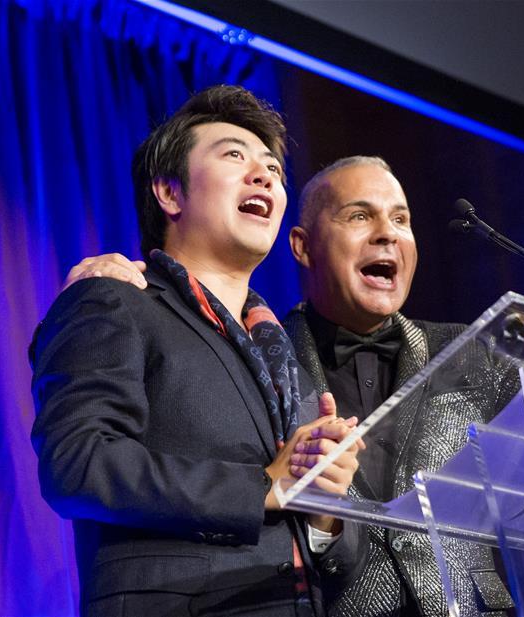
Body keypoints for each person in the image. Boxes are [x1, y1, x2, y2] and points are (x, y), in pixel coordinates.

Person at [65, 142, 524, 615]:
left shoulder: (476, 353)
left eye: (401, 219)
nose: (387, 233)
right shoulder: (257, 360)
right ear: (302, 246)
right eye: (359, 216)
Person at [30, 85, 365, 617]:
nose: (265, 176)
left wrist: (324, 508)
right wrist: (260, 486)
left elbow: (333, 560)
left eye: (274, 170)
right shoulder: (115, 301)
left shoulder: (291, 365)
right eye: (235, 155)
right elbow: (76, 464)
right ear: (169, 192)